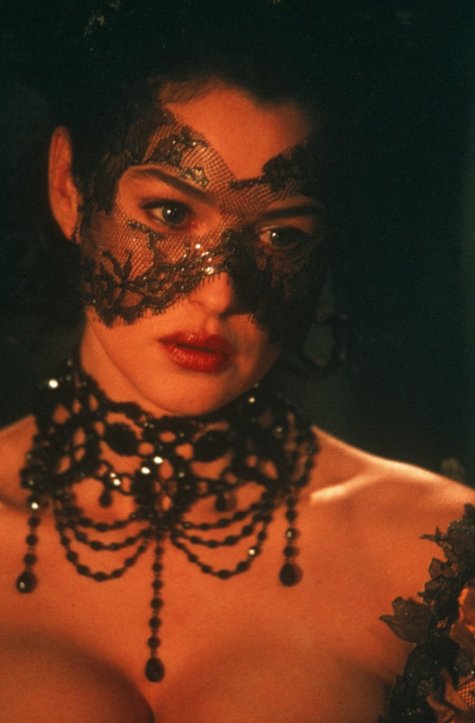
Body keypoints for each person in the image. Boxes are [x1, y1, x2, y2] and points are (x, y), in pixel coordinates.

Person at [0, 1, 473, 720]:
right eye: (170, 213)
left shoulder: (429, 556)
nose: (220, 291)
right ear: (69, 185)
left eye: (281, 236)